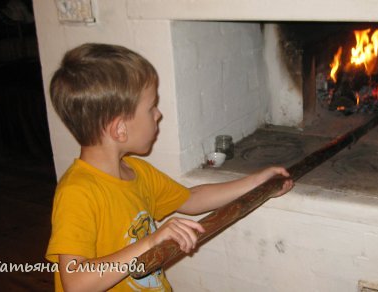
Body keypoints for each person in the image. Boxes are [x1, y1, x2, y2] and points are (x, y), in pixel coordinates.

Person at [45, 43, 294, 292]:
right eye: (151, 107)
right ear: (119, 129)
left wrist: (256, 181)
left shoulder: (137, 172)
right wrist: (151, 241)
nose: (158, 114)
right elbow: (76, 282)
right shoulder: (77, 192)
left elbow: (192, 199)